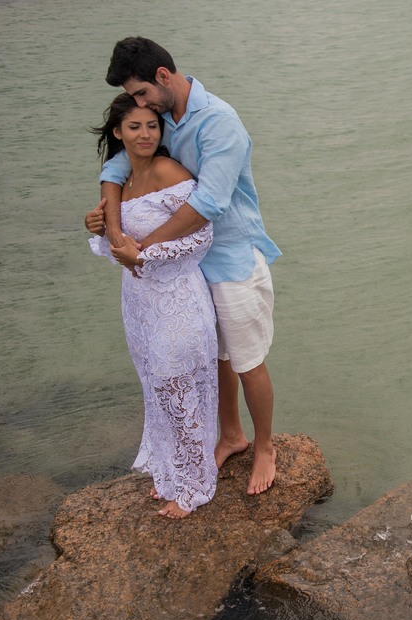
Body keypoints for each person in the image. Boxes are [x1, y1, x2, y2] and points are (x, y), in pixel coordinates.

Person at [85, 36, 280, 496]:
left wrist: (144, 248)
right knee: (215, 358)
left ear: (163, 77)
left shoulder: (219, 122)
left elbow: (209, 203)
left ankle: (266, 446)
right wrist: (111, 228)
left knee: (247, 360)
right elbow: (117, 168)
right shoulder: (162, 118)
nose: (138, 106)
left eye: (140, 93)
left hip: (231, 259)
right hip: (186, 269)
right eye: (134, 103)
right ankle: (231, 436)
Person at [89, 94, 217, 518]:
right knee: (157, 387)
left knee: (177, 384)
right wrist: (97, 230)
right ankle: (172, 471)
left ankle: (196, 487)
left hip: (177, 297)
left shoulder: (167, 171)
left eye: (152, 126)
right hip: (140, 303)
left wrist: (146, 256)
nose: (145, 135)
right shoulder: (122, 182)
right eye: (135, 127)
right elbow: (120, 248)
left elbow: (201, 235)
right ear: (117, 132)